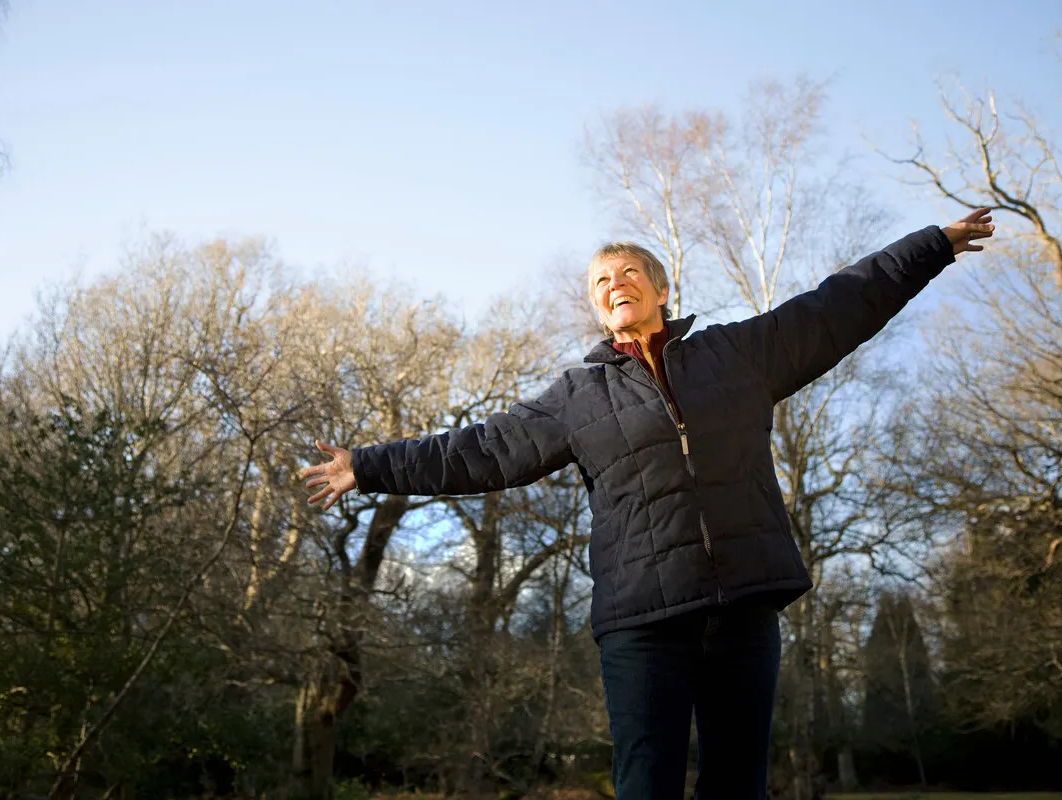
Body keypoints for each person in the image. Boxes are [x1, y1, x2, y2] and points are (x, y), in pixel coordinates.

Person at [299, 209, 995, 798]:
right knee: (646, 782)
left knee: (737, 782)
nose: (616, 284)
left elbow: (838, 305)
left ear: (661, 287)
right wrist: (367, 466)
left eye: (629, 272)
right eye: (602, 281)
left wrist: (930, 245)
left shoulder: (739, 354)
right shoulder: (576, 399)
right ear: (597, 308)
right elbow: (478, 451)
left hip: (745, 606)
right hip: (643, 622)